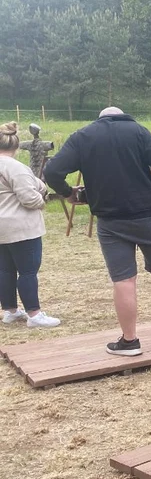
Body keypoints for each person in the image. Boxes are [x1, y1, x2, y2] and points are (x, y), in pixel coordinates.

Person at [43, 107, 151, 355]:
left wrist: (68, 193)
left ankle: (130, 341)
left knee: (124, 280)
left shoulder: (83, 136)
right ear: (122, 116)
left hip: (110, 220)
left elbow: (52, 171)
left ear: (100, 119)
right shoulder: (138, 131)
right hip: (149, 214)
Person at [0, 122, 60, 329]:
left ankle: (10, 310)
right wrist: (42, 200)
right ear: (16, 146)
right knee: (27, 271)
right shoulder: (15, 167)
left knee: (5, 270)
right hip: (20, 227)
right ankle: (34, 314)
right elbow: (28, 197)